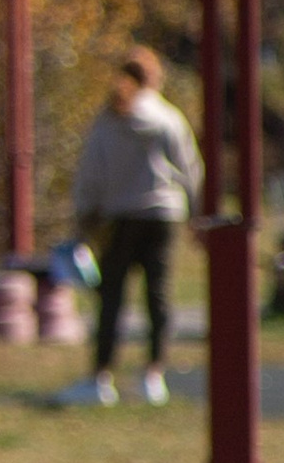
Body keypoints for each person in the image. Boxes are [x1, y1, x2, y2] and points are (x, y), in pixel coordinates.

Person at [60, 43, 203, 410]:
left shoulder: (110, 119)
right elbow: (189, 168)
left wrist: (84, 214)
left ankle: (101, 376)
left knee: (111, 298)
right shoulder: (169, 119)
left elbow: (92, 170)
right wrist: (197, 213)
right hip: (163, 215)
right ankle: (152, 374)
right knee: (158, 296)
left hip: (120, 216)